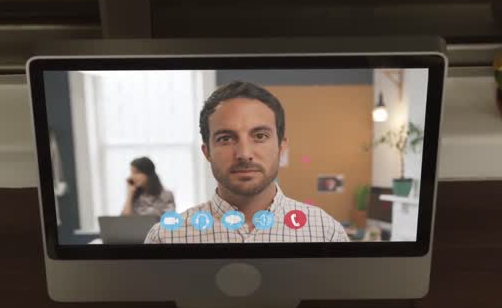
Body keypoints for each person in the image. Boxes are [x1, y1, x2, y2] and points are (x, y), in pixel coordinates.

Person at [144, 81, 350, 244]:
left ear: (282, 146)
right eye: (225, 138)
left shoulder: (326, 232)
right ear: (207, 151)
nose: (244, 154)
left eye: (259, 136)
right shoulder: (165, 238)